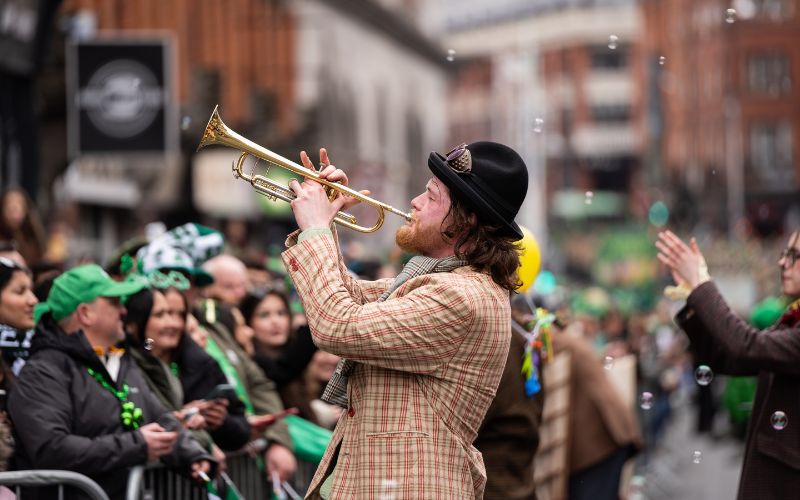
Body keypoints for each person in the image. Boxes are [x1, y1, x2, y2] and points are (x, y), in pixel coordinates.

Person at [283, 142, 529, 498]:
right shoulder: (442, 283)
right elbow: (347, 297)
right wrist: (326, 219)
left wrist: (317, 228)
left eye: (431, 196)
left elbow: (336, 324)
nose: (415, 201)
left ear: (466, 219)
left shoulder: (460, 297)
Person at [7, 264, 214, 499]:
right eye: (114, 302)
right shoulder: (44, 372)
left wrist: (193, 457)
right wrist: (138, 445)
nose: (124, 311)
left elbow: (160, 417)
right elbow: (51, 448)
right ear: (85, 314)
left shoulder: (120, 360)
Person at [656, 229, 800, 500]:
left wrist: (702, 285)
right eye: (784, 253)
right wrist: (693, 300)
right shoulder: (793, 317)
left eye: (795, 255)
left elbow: (746, 345)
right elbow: (729, 359)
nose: (783, 262)